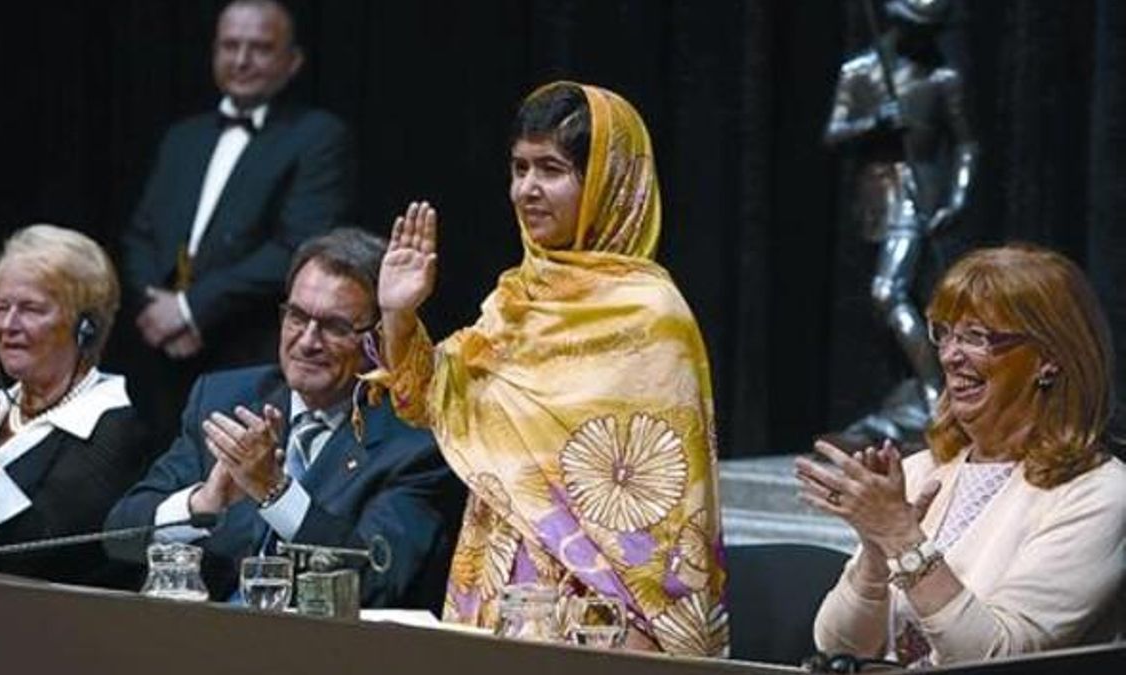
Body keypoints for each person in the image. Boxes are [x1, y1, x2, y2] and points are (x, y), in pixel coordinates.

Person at [374, 82, 728, 656]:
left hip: (598, 620)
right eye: (519, 168)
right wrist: (399, 314)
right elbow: (427, 400)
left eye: (551, 170)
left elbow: (665, 520)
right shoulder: (515, 301)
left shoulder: (654, 319)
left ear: (609, 183)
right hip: (497, 578)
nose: (527, 190)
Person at [796, 244, 1125, 666]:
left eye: (977, 337)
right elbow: (836, 647)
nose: (950, 356)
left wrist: (901, 537)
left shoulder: (1098, 494)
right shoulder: (920, 471)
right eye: (945, 332)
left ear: (1049, 359)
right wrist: (876, 551)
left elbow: (994, 657)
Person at [105, 228, 464, 610]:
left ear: (376, 340)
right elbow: (119, 536)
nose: (308, 341)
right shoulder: (226, 399)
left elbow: (376, 582)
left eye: (335, 327)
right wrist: (205, 501)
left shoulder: (414, 444)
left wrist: (276, 494)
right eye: (297, 316)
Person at [119, 0, 356, 449]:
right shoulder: (183, 137)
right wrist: (156, 307)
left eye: (260, 48)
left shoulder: (318, 136)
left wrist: (191, 310)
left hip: (248, 357)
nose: (242, 60)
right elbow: (140, 235)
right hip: (161, 359)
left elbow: (297, 246)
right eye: (230, 45)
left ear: (293, 61)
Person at [0, 224, 146, 587]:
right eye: (1, 307)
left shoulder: (110, 425)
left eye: (31, 308)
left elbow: (35, 556)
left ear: (85, 328)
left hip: (13, 631)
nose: (9, 325)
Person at [823, 0, 977, 443]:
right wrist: (875, 122)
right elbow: (835, 134)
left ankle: (932, 392)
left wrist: (958, 195)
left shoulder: (942, 77)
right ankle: (912, 390)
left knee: (888, 292)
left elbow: (967, 143)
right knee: (889, 304)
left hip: (918, 194)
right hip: (875, 196)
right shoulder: (861, 72)